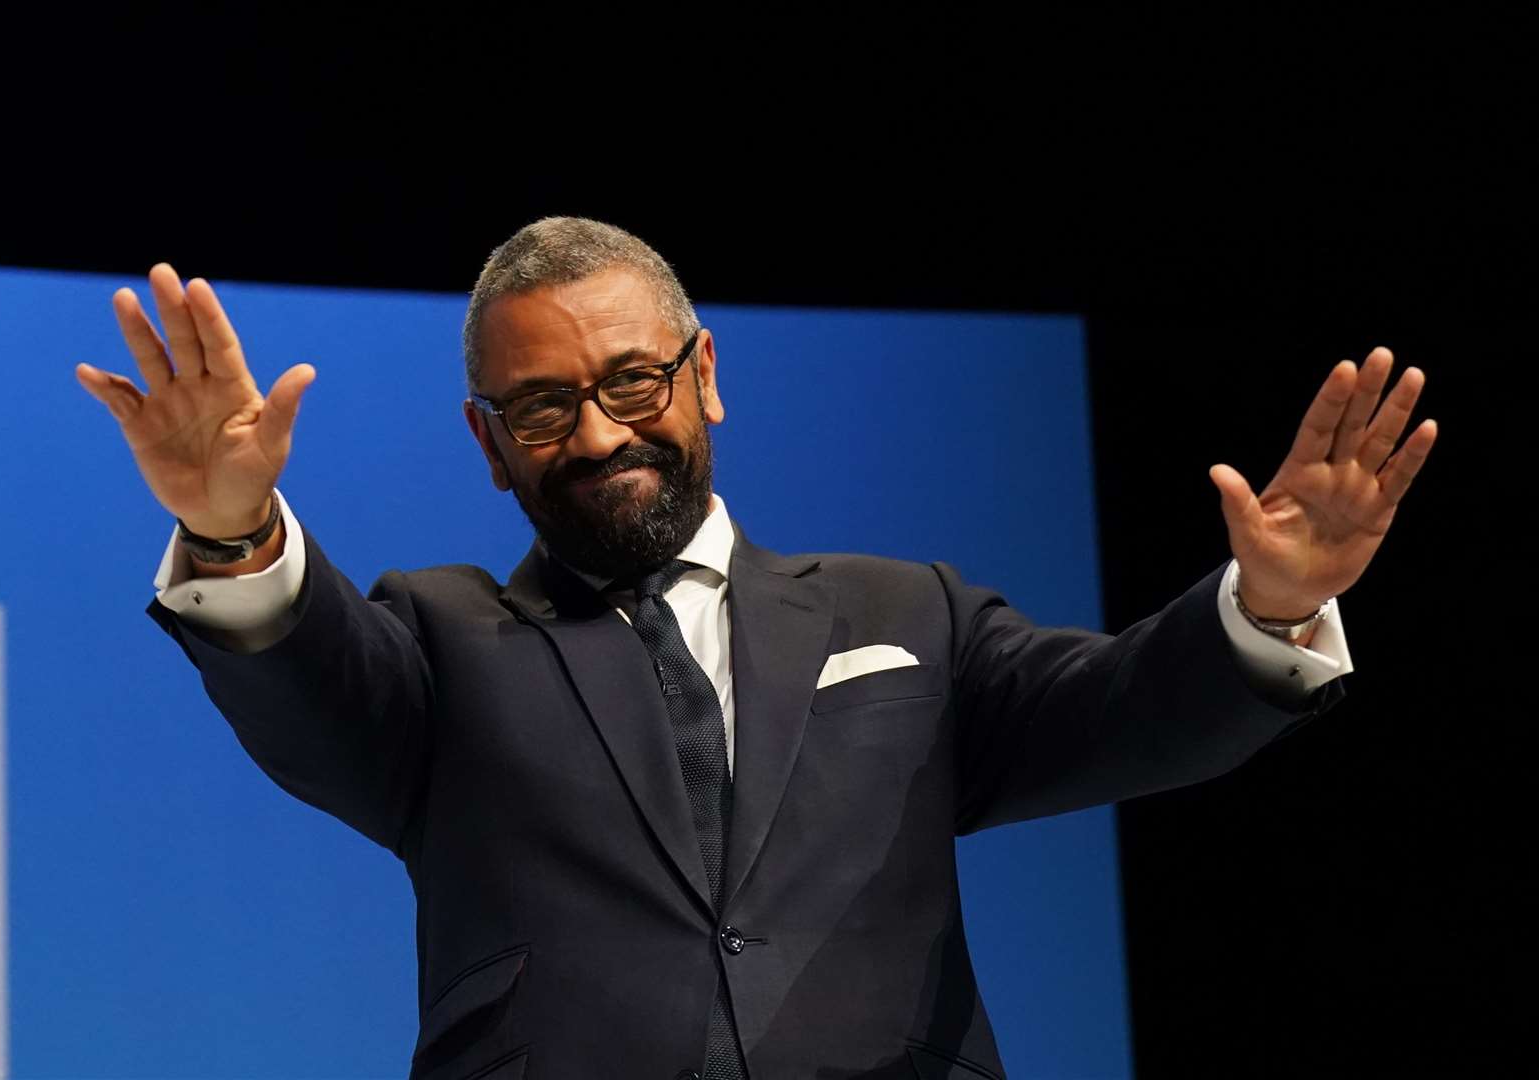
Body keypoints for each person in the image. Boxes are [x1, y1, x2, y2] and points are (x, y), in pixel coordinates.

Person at [75, 218, 1436, 1079]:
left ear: (704, 373)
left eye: (629, 383)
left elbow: (1136, 711)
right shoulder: (438, 643)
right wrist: (234, 526)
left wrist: (1266, 608)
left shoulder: (905, 616)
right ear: (487, 446)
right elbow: (308, 683)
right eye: (544, 408)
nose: (600, 434)